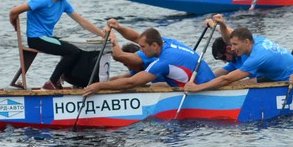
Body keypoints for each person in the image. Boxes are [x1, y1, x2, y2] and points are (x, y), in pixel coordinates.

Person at [8, 0, 106, 90]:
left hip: (46, 38)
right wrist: (15, 27)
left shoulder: (63, 3)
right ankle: (52, 82)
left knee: (80, 49)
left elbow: (82, 21)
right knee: (73, 52)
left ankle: (67, 79)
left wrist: (102, 35)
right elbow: (14, 12)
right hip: (36, 39)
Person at [81, 22, 214, 96]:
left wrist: (99, 86)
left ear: (154, 45)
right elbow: (136, 38)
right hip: (207, 82)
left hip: (206, 91)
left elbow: (131, 83)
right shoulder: (166, 42)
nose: (140, 50)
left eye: (143, 47)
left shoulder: (163, 62)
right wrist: (119, 27)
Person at [184, 27, 293, 92]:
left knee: (239, 81)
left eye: (235, 45)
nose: (232, 48)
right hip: (288, 73)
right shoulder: (255, 40)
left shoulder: (256, 57)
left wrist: (198, 88)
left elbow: (226, 79)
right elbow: (221, 73)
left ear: (246, 42)